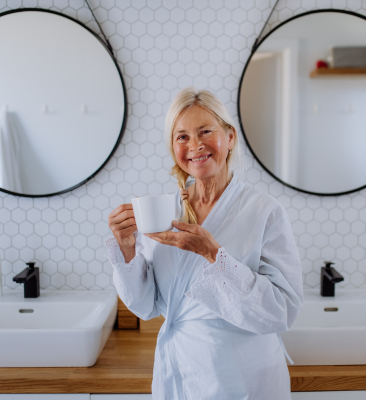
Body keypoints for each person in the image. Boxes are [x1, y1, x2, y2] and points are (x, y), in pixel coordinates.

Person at [106, 87, 303, 399]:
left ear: (230, 137)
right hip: (180, 369)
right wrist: (127, 245)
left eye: (205, 131)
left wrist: (214, 254)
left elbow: (282, 311)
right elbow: (146, 306)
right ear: (173, 148)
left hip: (241, 374)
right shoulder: (164, 212)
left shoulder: (263, 211)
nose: (195, 145)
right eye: (182, 136)